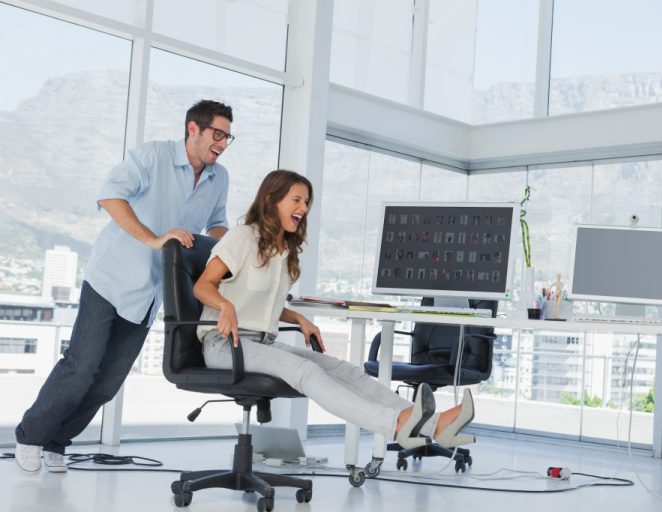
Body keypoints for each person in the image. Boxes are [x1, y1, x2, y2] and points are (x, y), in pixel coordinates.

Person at [15, 99, 235, 473]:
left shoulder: (219, 178)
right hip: (111, 278)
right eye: (218, 134)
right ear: (193, 129)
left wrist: (218, 251)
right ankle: (30, 436)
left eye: (229, 137)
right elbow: (109, 195)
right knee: (81, 367)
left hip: (150, 294)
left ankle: (56, 442)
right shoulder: (153, 156)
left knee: (107, 384)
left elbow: (217, 224)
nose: (223, 143)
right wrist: (153, 239)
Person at [193, 170, 476, 451]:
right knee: (306, 371)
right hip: (223, 345)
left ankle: (435, 425)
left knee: (343, 370)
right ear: (272, 199)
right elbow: (203, 286)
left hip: (259, 343)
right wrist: (224, 305)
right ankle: (398, 425)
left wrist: (297, 317)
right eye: (297, 200)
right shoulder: (243, 237)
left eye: (306, 203)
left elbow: (263, 304)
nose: (303, 208)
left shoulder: (283, 250)